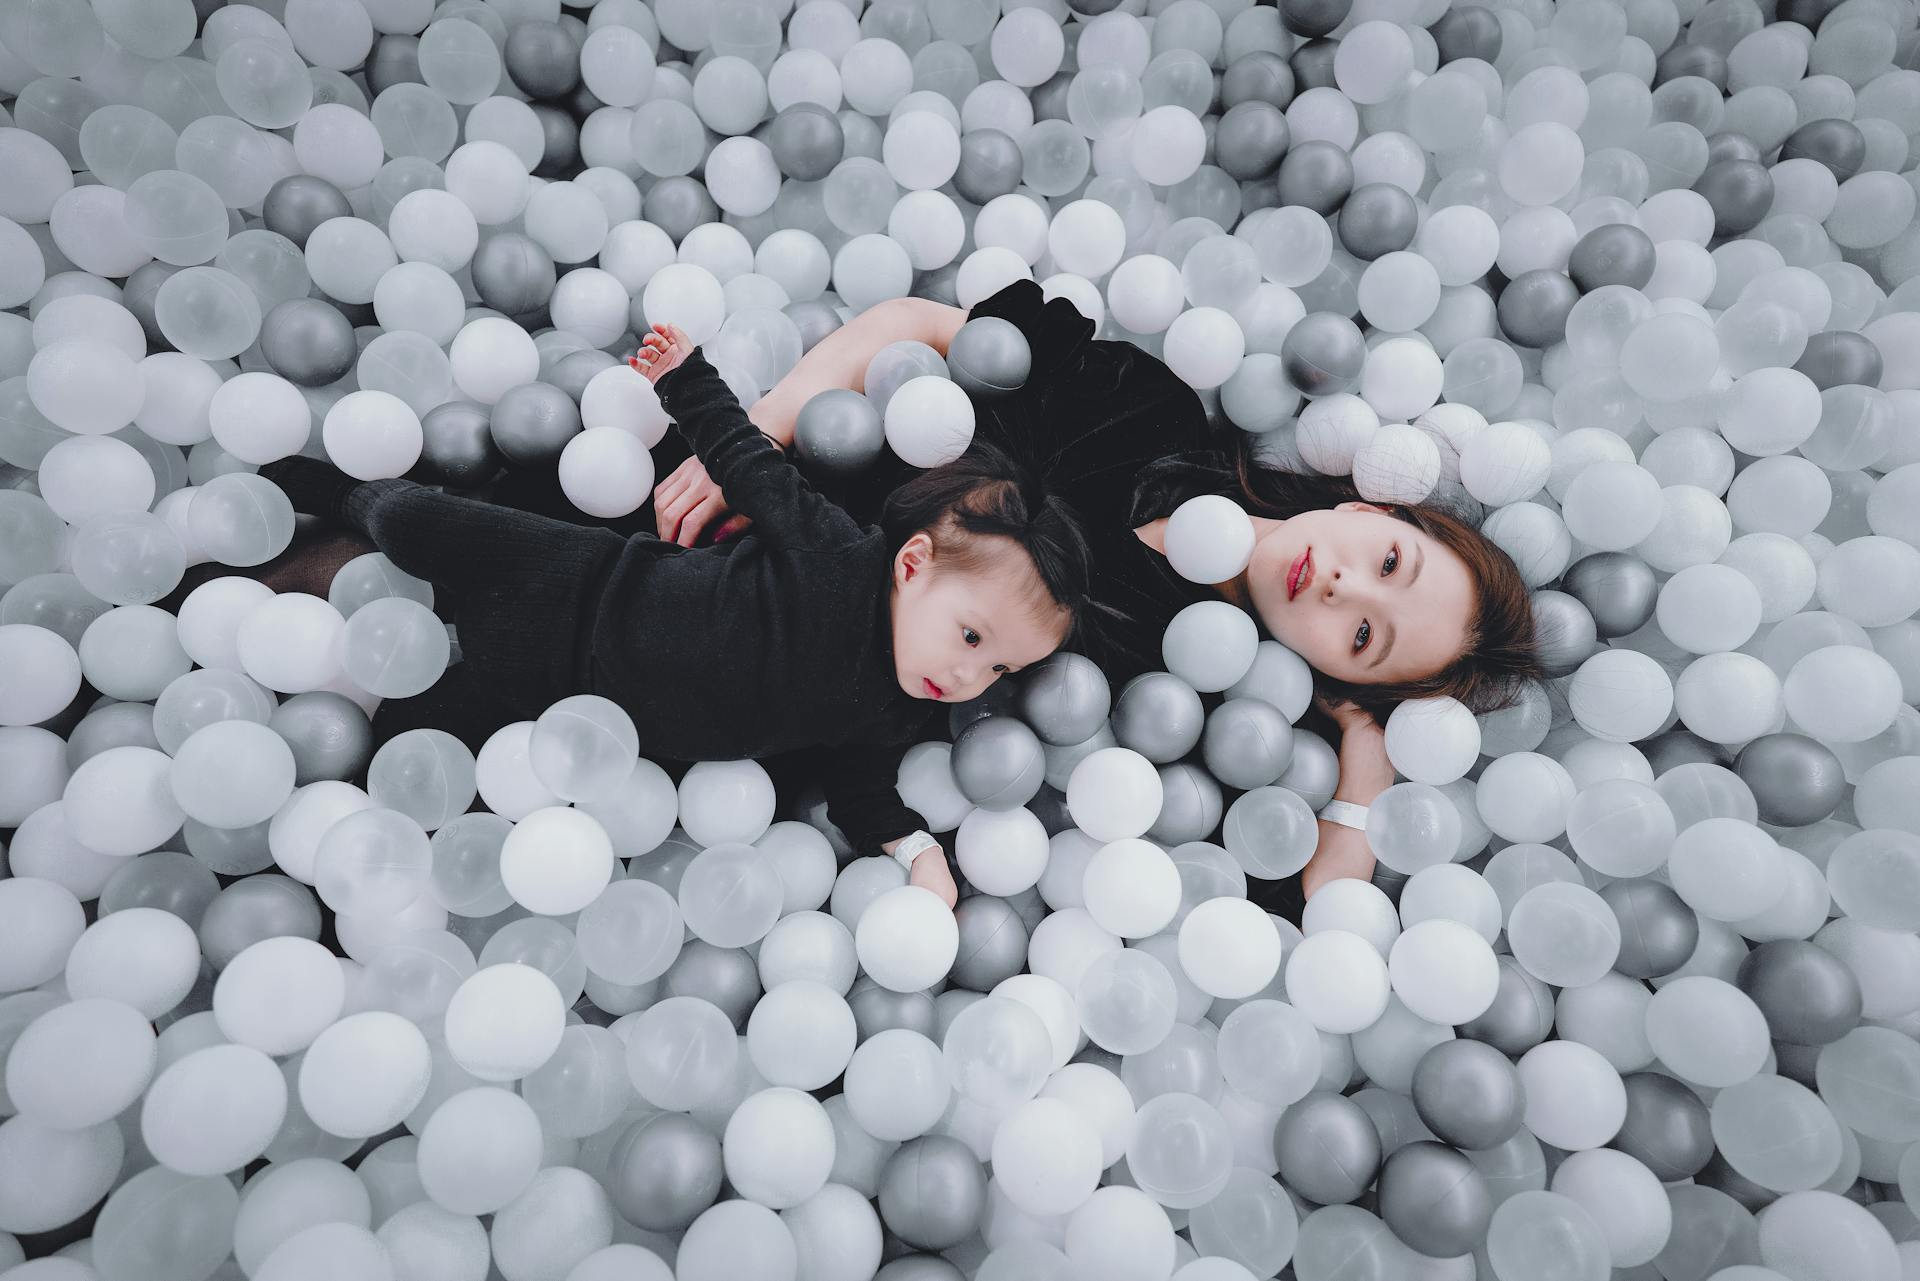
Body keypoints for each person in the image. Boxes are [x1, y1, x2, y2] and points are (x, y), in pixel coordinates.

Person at [636, 280, 1544, 902]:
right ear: (1373, 504)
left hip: (726, 682)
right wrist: (753, 436)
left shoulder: (1166, 685)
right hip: (689, 502)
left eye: (1362, 637)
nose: (1343, 586)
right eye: (1389, 563)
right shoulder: (1152, 412)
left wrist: (1365, 742)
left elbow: (1324, 904)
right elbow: (911, 323)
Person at [261, 323, 1100, 909]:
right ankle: (348, 493)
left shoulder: (893, 708)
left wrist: (917, 853)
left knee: (428, 733)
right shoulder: (839, 557)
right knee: (427, 528)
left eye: (996, 670)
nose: (966, 676)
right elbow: (752, 467)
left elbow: (861, 789)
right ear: (913, 567)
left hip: (575, 703)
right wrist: (685, 376)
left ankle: (323, 808)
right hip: (582, 581)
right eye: (971, 637)